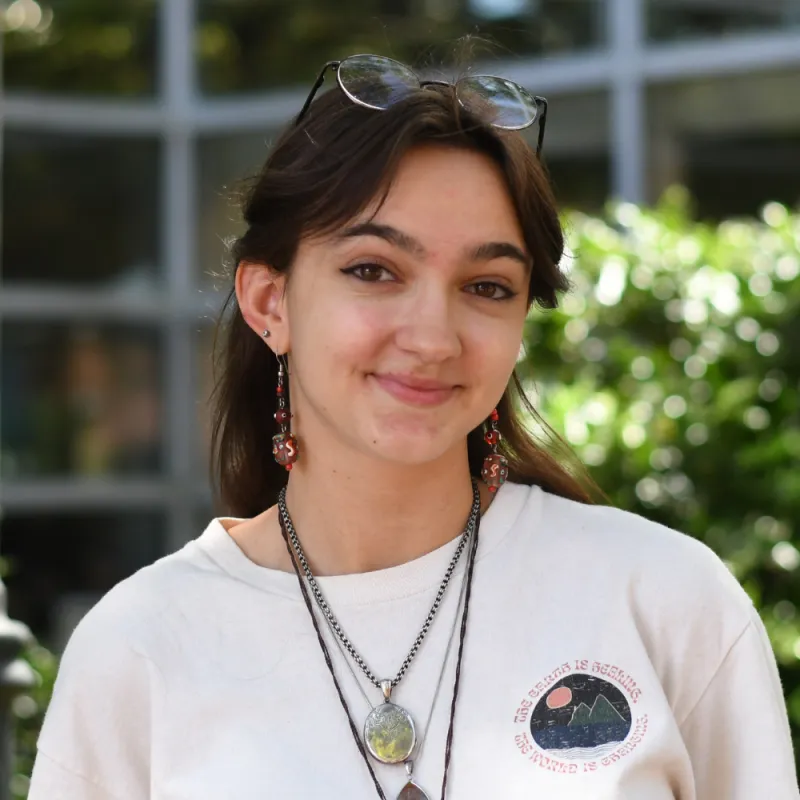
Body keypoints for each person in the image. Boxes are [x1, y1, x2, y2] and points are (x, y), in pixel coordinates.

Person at [28, 54, 798, 800]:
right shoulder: (140, 646)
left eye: (488, 286)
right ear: (270, 303)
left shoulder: (663, 599)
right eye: (373, 270)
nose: (433, 337)